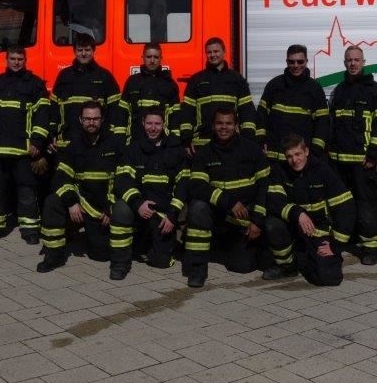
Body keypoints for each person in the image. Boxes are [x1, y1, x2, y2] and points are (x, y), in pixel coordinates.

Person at [183, 106, 280, 288]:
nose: (224, 127)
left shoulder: (251, 149)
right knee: (197, 207)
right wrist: (227, 201)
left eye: (228, 123)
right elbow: (197, 186)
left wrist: (258, 221)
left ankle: (233, 247)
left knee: (242, 267)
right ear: (213, 125)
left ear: (236, 126)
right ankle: (197, 268)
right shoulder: (204, 153)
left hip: (245, 217)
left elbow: (265, 187)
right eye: (219, 123)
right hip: (219, 214)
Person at [0, 46, 51, 244]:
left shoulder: (35, 84)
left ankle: (30, 230)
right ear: (6, 60)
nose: (16, 62)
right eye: (13, 58)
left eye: (20, 59)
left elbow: (43, 116)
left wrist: (38, 142)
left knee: (26, 191)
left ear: (25, 60)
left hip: (23, 151)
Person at [37, 100, 123, 272]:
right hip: (79, 203)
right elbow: (60, 178)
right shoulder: (72, 145)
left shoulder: (115, 144)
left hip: (102, 207)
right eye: (87, 119)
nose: (91, 122)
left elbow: (123, 179)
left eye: (95, 119)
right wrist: (71, 202)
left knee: (101, 256)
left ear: (102, 120)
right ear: (80, 120)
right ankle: (54, 254)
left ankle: (80, 236)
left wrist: (110, 206)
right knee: (52, 201)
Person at [327, 45, 377, 265]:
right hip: (338, 162)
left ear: (364, 62)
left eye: (357, 60)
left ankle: (371, 248)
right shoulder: (339, 90)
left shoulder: (375, 91)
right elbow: (331, 123)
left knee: (367, 206)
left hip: (363, 162)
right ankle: (341, 242)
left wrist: (373, 154)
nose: (353, 63)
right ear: (344, 63)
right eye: (349, 60)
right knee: (340, 206)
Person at [109, 107, 188, 280]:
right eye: (149, 123)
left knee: (161, 261)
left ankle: (153, 245)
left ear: (164, 125)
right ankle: (119, 263)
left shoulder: (175, 149)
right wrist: (138, 204)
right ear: (143, 123)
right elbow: (123, 180)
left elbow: (183, 184)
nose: (153, 128)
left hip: (163, 213)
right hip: (140, 207)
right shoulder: (133, 148)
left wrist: (173, 214)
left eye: (157, 124)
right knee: (121, 208)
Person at [266, 134, 356, 285]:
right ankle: (287, 266)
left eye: (298, 154)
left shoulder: (323, 171)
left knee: (328, 278)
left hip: (318, 231)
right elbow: (274, 202)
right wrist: (298, 213)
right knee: (272, 225)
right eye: (289, 156)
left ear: (306, 151)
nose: (294, 160)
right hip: (293, 228)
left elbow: (346, 207)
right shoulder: (279, 171)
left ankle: (311, 258)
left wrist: (336, 245)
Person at [180, 37, 257, 154]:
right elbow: (187, 111)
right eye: (209, 52)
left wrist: (248, 139)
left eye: (216, 51)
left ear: (224, 52)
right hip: (202, 143)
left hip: (232, 143)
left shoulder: (236, 79)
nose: (212, 55)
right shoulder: (196, 79)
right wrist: (186, 139)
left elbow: (246, 110)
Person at [257, 44, 329, 163]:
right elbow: (261, 115)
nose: (296, 65)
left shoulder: (314, 89)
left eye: (300, 62)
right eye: (292, 62)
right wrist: (260, 141)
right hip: (274, 157)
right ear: (286, 62)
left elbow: (323, 122)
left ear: (306, 61)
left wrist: (315, 151)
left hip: (300, 160)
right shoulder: (274, 85)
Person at [50, 33, 122, 146]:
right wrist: (52, 134)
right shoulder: (64, 76)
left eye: (87, 50)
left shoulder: (104, 77)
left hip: (95, 143)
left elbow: (116, 112)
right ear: (74, 51)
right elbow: (53, 109)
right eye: (80, 50)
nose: (83, 54)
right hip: (66, 142)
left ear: (94, 51)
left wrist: (109, 137)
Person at [117, 43, 180, 143]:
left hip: (162, 143)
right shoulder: (132, 81)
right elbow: (122, 113)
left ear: (161, 58)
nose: (152, 60)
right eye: (149, 57)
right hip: (135, 140)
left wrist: (174, 142)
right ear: (143, 57)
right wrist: (120, 139)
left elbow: (175, 117)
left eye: (156, 57)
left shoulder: (169, 84)